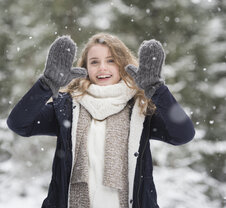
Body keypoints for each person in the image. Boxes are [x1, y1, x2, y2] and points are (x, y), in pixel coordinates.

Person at [7, 33, 195, 208]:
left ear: (122, 64)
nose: (102, 67)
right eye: (94, 62)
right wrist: (46, 85)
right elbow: (19, 124)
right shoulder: (67, 107)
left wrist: (157, 90)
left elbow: (183, 135)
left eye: (111, 61)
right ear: (85, 68)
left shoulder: (140, 109)